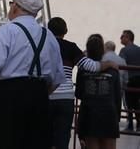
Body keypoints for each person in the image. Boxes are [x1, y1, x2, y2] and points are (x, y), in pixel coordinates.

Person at [0, 0, 65, 149]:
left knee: (5, 141)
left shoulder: (7, 30)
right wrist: (39, 92)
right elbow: (58, 77)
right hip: (39, 95)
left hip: (7, 96)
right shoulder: (48, 35)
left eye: (11, 3)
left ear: (16, 7)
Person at [47, 17, 115, 149]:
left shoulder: (42, 45)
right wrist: (109, 63)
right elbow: (90, 66)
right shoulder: (71, 47)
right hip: (65, 98)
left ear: (48, 30)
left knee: (43, 135)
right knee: (63, 136)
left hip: (45, 96)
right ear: (65, 31)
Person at [76, 34, 121, 149]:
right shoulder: (113, 70)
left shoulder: (82, 70)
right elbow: (117, 96)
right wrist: (117, 118)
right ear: (103, 51)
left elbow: (79, 93)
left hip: (89, 113)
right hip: (109, 113)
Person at [120, 29, 140, 131]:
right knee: (137, 103)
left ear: (128, 38)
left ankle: (130, 125)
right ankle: (139, 125)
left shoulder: (124, 51)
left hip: (130, 80)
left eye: (122, 36)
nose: (120, 38)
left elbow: (121, 66)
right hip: (139, 80)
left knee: (128, 104)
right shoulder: (139, 49)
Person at [104, 40, 128, 122]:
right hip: (119, 87)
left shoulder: (102, 58)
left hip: (105, 88)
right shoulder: (122, 60)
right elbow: (126, 79)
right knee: (116, 107)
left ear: (106, 48)